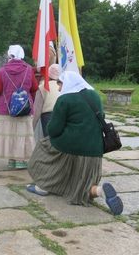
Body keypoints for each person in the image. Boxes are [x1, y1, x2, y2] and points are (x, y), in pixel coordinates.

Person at [27, 71, 123, 215]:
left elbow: (54, 129)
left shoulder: (65, 100)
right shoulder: (94, 96)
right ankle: (100, 190)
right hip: (95, 150)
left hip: (71, 146)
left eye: (60, 84)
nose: (58, 88)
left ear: (67, 83)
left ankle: (44, 186)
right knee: (79, 187)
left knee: (44, 147)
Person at [0, 45, 38, 169]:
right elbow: (34, 88)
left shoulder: (2, 70)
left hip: (6, 109)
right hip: (24, 108)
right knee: (21, 134)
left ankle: (11, 160)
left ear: (10, 55)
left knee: (9, 134)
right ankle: (20, 160)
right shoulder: (29, 69)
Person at [33, 64, 61, 139]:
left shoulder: (43, 87)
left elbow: (36, 110)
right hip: (61, 115)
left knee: (49, 142)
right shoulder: (63, 86)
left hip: (48, 117)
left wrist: (32, 127)